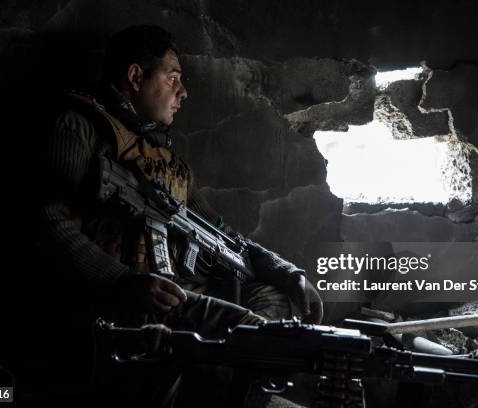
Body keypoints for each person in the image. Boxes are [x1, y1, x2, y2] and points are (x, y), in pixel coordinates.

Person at [24, 24, 321, 404]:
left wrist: (288, 272)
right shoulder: (78, 125)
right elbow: (46, 222)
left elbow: (222, 230)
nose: (184, 92)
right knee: (259, 335)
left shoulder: (162, 157)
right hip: (125, 299)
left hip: (170, 290)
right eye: (174, 78)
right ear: (135, 76)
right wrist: (121, 282)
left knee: (276, 298)